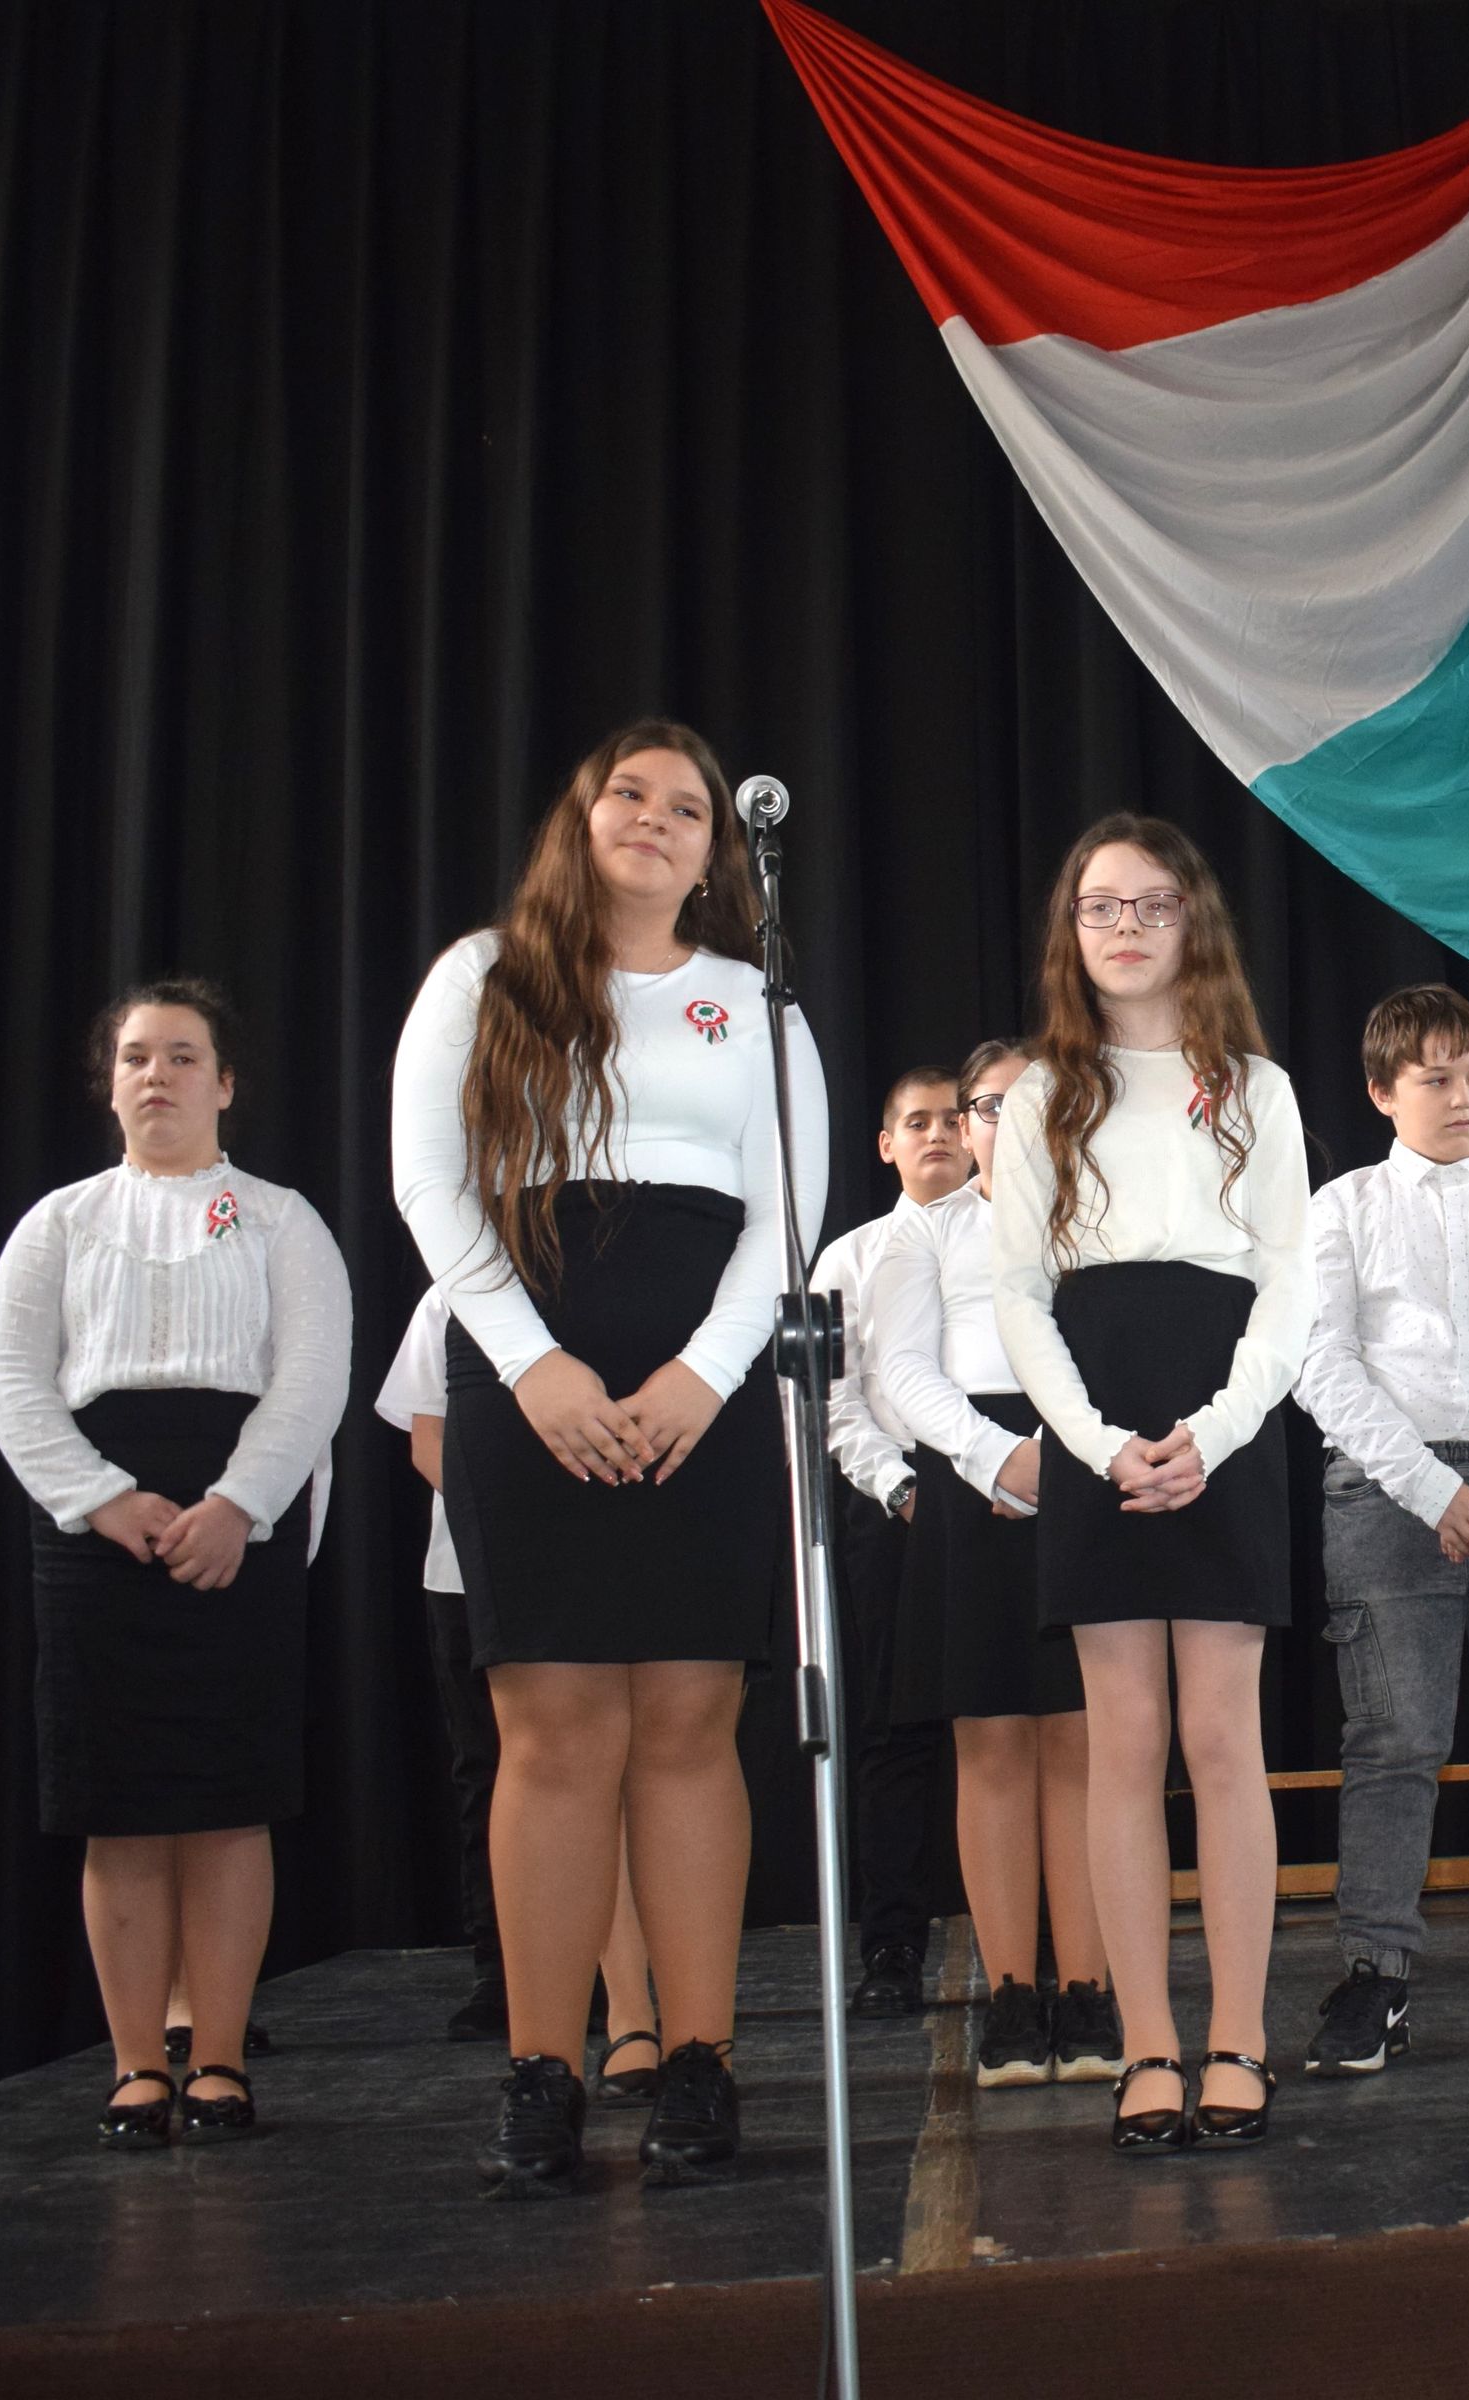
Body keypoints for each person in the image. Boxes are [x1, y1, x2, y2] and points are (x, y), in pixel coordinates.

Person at [392, 719, 828, 2195]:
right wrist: (536, 1366)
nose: (654, 817)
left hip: (703, 1386)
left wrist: (706, 1375)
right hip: (532, 1370)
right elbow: (431, 1185)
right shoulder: (483, 977)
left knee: (692, 1724)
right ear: (580, 822)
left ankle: (698, 2061)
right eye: (626, 794)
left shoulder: (756, 1003)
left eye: (686, 807)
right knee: (554, 1731)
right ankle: (544, 2069)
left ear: (715, 857)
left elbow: (787, 1215)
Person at [0, 980, 351, 2148]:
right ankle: (139, 2064)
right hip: (96, 1525)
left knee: (230, 1805)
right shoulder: (58, 1223)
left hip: (240, 1519)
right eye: (136, 1056)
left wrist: (237, 1504)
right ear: (110, 1085)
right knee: (121, 1809)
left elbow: (312, 1379)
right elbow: (10, 1382)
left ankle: (220, 2057)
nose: (158, 1075)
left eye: (183, 1056)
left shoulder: (284, 1220)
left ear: (225, 1084)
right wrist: (100, 1498)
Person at [992, 817, 1314, 2154]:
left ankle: (1237, 2037)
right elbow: (1017, 1293)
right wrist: (1092, 1441)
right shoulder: (1037, 1098)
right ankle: (1146, 2047)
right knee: (1121, 1742)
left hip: (1222, 1410)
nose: (1124, 927)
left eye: (1151, 905)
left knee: (1223, 1740)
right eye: (1100, 906)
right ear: (1071, 931)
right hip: (1098, 1417)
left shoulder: (1256, 1089)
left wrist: (1219, 1430)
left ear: (1194, 923)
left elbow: (1290, 1283)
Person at [1294, 984, 1469, 2072]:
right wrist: (1429, 1489)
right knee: (1393, 1745)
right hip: (1385, 1495)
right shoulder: (1341, 1207)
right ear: (1380, 1091)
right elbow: (1320, 1364)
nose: (1462, 1097)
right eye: (1435, 1078)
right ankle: (1376, 1978)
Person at [876, 1038, 1113, 2088]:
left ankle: (1088, 1988)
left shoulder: (1099, 1216)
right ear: (966, 1121)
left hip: (1086, 1475)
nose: (1007, 1122)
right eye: (987, 1106)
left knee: (1082, 1745)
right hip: (974, 1483)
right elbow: (901, 1370)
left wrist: (1070, 1453)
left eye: (1031, 1102)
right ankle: (1012, 1993)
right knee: (992, 1748)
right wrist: (994, 1456)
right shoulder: (925, 1231)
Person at [375, 1285, 662, 2098]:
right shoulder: (454, 1288)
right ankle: (506, 1980)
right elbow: (427, 1438)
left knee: (629, 1779)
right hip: (482, 1567)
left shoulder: (644, 1277)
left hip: (618, 1554)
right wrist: (514, 1510)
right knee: (497, 1776)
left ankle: (636, 2011)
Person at [810, 1067, 968, 2018]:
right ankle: (894, 1946)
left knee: (1019, 1728)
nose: (938, 1134)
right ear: (886, 1144)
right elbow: (833, 1400)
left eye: (953, 1118)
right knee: (893, 1734)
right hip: (895, 1504)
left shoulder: (1017, 1239)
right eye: (917, 1122)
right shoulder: (849, 1258)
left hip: (1005, 1497)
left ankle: (1048, 1946)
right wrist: (902, 1487)